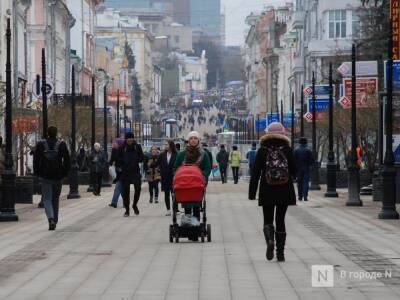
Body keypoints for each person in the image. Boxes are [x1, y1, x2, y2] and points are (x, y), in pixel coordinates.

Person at [249, 122, 296, 262]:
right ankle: (280, 253)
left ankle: (270, 240)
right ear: (283, 134)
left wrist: (252, 193)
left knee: (268, 219)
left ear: (267, 134)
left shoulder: (262, 150)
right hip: (284, 189)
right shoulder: (287, 149)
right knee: (280, 220)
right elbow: (294, 171)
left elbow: (255, 173)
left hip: (266, 189)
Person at [33, 126, 70, 230]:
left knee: (47, 199)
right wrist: (65, 173)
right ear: (56, 133)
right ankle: (55, 219)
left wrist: (38, 172)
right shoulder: (61, 144)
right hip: (58, 176)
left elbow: (36, 160)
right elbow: (67, 160)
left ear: (47, 133)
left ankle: (50, 218)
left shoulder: (41, 144)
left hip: (45, 176)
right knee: (55, 198)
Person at [174, 131, 211, 222]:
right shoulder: (182, 154)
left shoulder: (203, 154)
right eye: (191, 138)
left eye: (195, 138)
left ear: (198, 140)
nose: (193, 140)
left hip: (197, 185)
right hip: (184, 185)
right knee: (187, 207)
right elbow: (175, 168)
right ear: (188, 140)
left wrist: (202, 176)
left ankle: (196, 226)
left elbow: (207, 168)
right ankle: (188, 225)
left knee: (197, 207)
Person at [116, 132, 144, 217]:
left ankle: (134, 205)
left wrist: (136, 160)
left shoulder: (137, 147)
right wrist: (123, 162)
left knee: (138, 188)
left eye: (131, 138)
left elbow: (141, 157)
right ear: (126, 139)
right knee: (126, 192)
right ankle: (127, 210)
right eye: (128, 138)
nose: (130, 139)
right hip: (125, 173)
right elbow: (118, 159)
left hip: (135, 171)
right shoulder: (122, 148)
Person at [160, 140, 177, 216]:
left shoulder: (176, 154)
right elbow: (158, 163)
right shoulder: (162, 155)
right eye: (165, 144)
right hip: (165, 177)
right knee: (166, 194)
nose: (165, 146)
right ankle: (168, 209)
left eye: (167, 144)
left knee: (174, 194)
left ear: (171, 145)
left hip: (173, 177)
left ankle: (175, 209)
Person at [293, 137, 313, 201]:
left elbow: (293, 160)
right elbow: (312, 160)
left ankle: (300, 196)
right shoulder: (308, 150)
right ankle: (305, 196)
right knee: (305, 183)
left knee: (299, 183)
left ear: (299, 142)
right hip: (306, 168)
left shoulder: (296, 150)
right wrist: (309, 165)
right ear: (306, 142)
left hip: (298, 169)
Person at [109, 141, 122, 208]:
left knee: (118, 187)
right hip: (118, 171)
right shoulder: (115, 150)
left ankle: (114, 202)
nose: (114, 144)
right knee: (120, 188)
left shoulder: (121, 151)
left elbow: (118, 159)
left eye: (115, 143)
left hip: (122, 172)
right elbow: (112, 159)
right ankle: (115, 202)